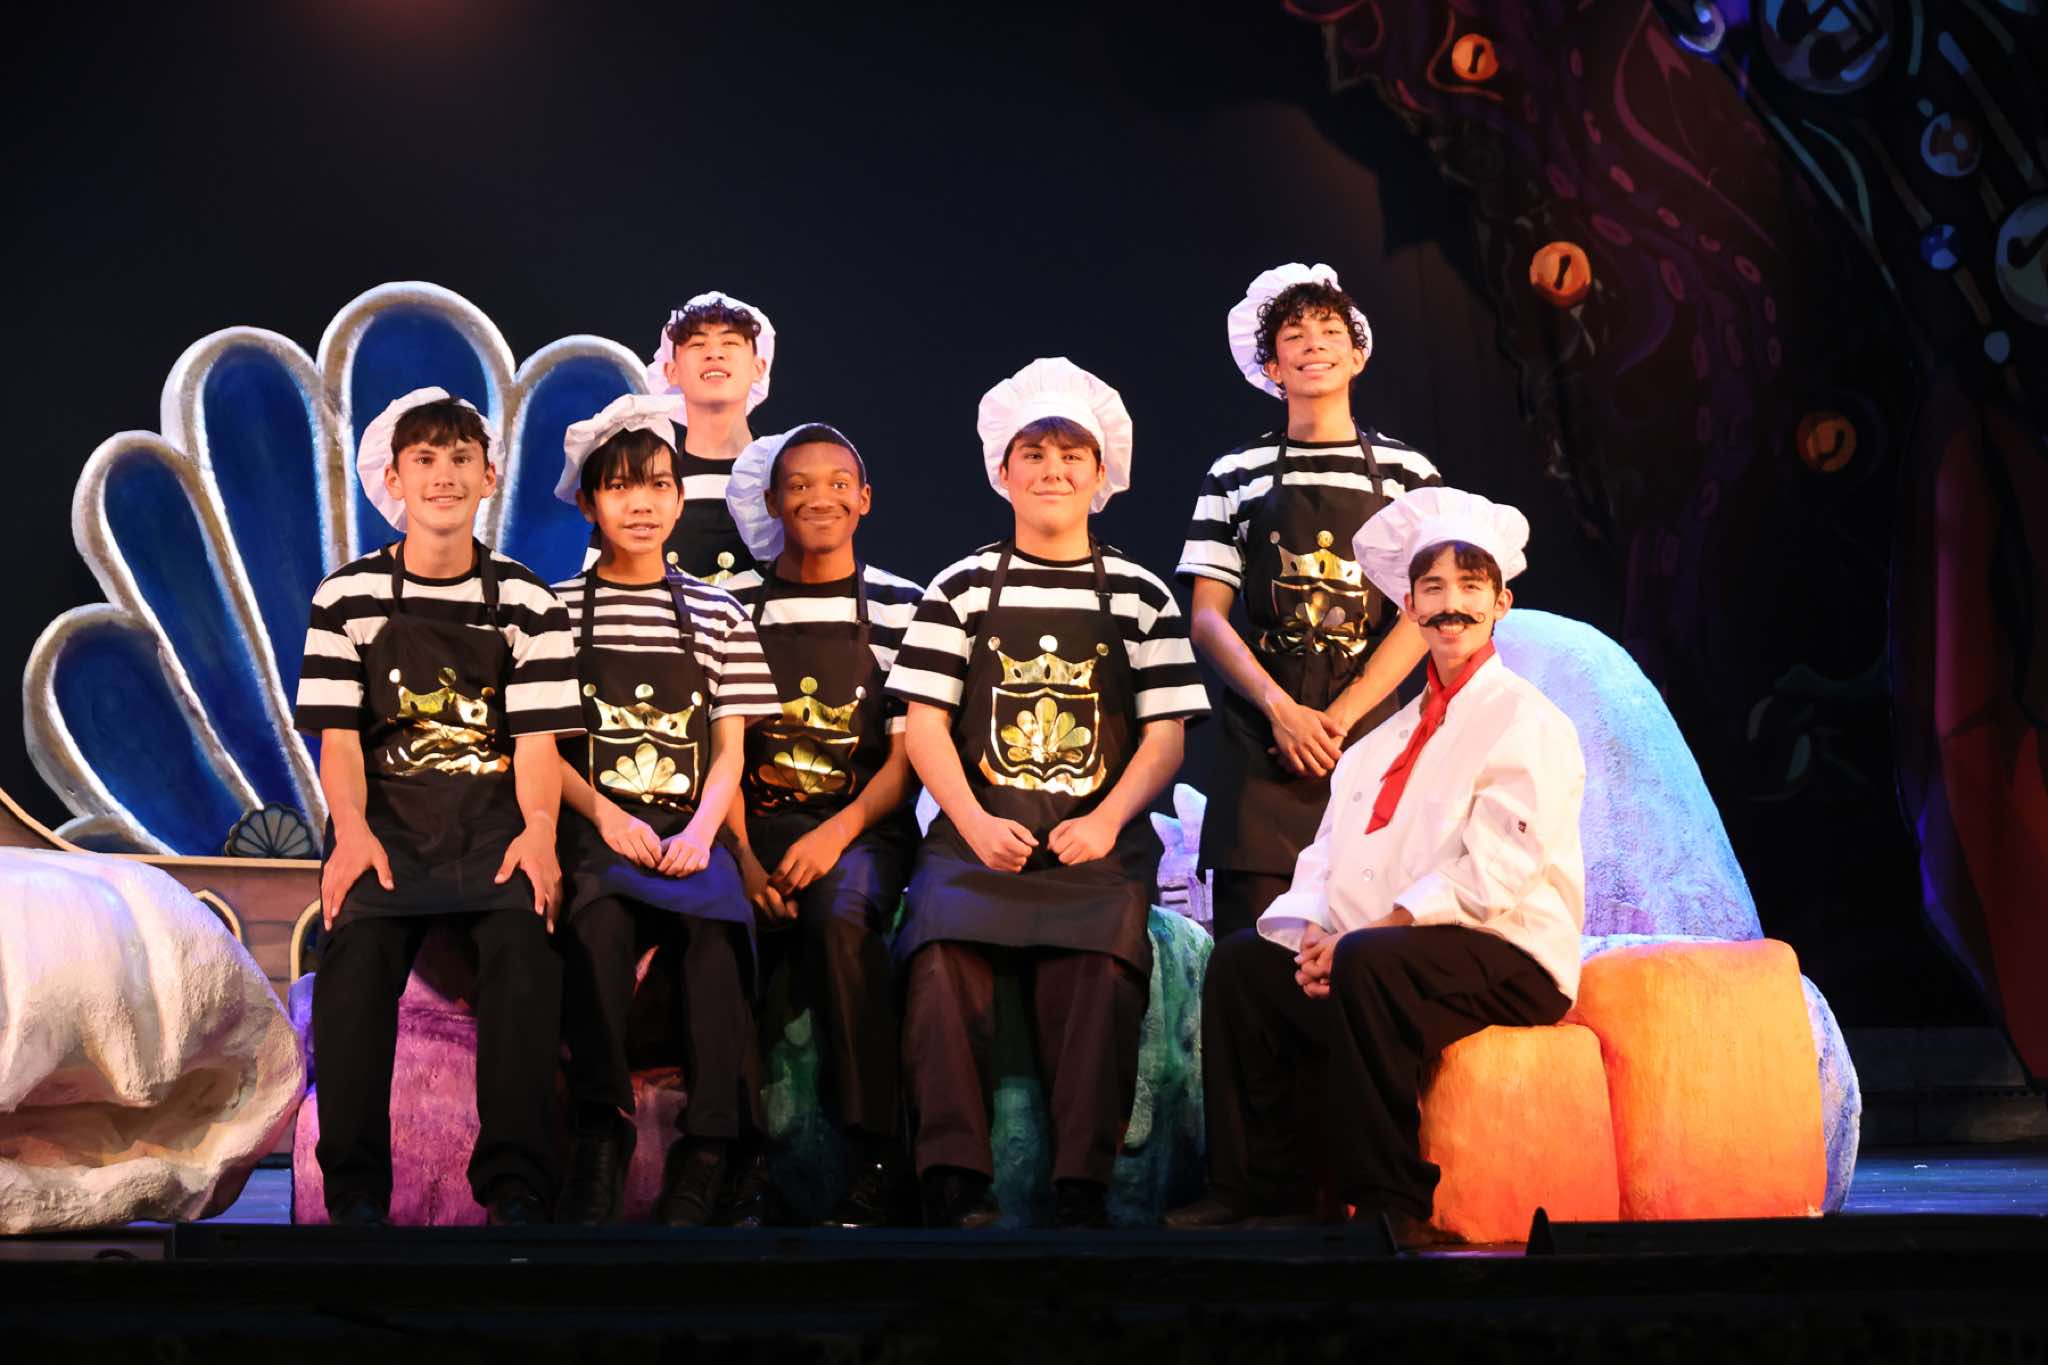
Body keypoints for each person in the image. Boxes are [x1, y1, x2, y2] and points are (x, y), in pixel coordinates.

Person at [1164, 487, 1585, 1238]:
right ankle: (1263, 1189)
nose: (1451, 605)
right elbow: (1325, 856)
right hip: (1391, 951)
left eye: (1470, 587)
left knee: (1369, 965)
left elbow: (1499, 868)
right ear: (1410, 608)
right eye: (1433, 589)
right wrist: (1313, 936)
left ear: (1501, 602)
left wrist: (1368, 936)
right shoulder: (1378, 744)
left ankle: (1392, 1202)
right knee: (1243, 965)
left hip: (1508, 952)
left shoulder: (1529, 719)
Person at [886, 358, 1209, 1229]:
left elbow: (1166, 737)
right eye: (1034, 453)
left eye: (1072, 455)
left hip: (1094, 852)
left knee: (1101, 972)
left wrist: (1104, 821)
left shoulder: (1141, 594)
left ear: (1103, 474)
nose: (1053, 470)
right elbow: (924, 727)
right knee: (936, 962)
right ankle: (952, 1181)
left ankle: (1080, 1188)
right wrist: (973, 821)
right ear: (1002, 470)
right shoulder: (959, 586)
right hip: (976, 843)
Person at [294, 388, 582, 1227]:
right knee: (353, 963)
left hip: (494, 825)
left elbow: (537, 744)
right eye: (425, 459)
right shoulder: (346, 596)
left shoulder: (527, 601)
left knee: (526, 949)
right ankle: (354, 1192)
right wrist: (350, 835)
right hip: (386, 825)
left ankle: (517, 1186)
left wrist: (539, 834)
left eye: (461, 459)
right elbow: (341, 742)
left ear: (489, 476)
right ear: (395, 478)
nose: (444, 475)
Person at [547, 394, 782, 1226]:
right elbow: (543, 750)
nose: (640, 504)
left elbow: (730, 751)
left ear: (680, 500)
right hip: (599, 834)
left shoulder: (719, 612)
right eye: (620, 487)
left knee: (718, 940)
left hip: (690, 830)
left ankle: (711, 1149)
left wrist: (702, 833)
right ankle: (599, 1133)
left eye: (656, 485)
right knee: (598, 929)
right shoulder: (554, 612)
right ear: (589, 503)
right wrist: (607, 818)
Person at [1178, 264, 1440, 940]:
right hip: (1263, 746)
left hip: (1374, 735)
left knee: (1366, 952)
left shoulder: (1409, 474)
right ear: (1271, 366)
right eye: (1294, 335)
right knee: (1256, 958)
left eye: (1329, 331)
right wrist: (1282, 711)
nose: (1313, 344)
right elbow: (1206, 618)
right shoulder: (1233, 474)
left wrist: (1343, 717)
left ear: (1357, 355)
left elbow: (1424, 612)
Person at [721, 423, 925, 1227]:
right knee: (719, 925)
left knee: (841, 918)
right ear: (772, 501)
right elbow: (718, 754)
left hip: (861, 827)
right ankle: (737, 1162)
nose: (820, 497)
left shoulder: (906, 605)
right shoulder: (731, 607)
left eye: (838, 482)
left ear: (864, 498)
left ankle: (874, 1158)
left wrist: (834, 835)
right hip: (747, 824)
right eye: (800, 484)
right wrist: (742, 859)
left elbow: (906, 763)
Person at [596, 290, 777, 584]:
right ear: (671, 371)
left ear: (759, 367)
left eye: (730, 342)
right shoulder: (642, 477)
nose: (714, 353)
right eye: (698, 344)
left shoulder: (783, 473)